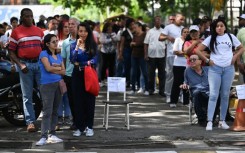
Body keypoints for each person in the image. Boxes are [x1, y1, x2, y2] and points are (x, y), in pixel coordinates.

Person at [195, 18, 244, 131]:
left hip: (228, 69)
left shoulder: (231, 37)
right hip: (214, 69)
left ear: (225, 27)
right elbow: (198, 50)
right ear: (214, 28)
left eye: (221, 26)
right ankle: (210, 121)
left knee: (225, 95)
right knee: (213, 95)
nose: (219, 28)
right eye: (217, 26)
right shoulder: (210, 38)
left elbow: (241, 48)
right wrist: (207, 61)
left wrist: (235, 57)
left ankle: (222, 121)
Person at [8, 8, 44, 132]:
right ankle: (30, 122)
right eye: (27, 16)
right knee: (27, 95)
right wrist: (19, 64)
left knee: (44, 93)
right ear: (22, 17)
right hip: (25, 66)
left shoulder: (39, 31)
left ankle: (48, 121)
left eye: (31, 16)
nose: (29, 18)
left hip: (39, 64)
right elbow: (11, 51)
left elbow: (44, 49)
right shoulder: (16, 32)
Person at [36, 34, 65, 146]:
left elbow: (64, 71)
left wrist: (54, 68)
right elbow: (48, 68)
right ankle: (43, 136)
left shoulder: (58, 54)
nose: (56, 43)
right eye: (53, 41)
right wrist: (57, 68)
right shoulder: (43, 54)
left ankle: (52, 134)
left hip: (58, 84)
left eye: (56, 41)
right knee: (47, 111)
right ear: (47, 44)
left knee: (55, 111)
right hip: (47, 85)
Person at [70, 22, 97, 137]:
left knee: (89, 101)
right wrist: (77, 47)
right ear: (77, 32)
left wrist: (83, 63)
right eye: (80, 31)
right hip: (77, 75)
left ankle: (89, 127)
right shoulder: (73, 44)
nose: (83, 33)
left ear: (88, 32)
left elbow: (95, 60)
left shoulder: (92, 44)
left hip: (89, 74)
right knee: (78, 102)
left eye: (85, 31)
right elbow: (72, 59)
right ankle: (80, 127)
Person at [159, 13, 185, 102]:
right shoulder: (169, 27)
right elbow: (160, 37)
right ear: (176, 18)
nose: (182, 21)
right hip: (171, 55)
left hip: (181, 56)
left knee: (182, 76)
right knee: (170, 75)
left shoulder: (183, 29)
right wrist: (167, 37)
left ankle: (181, 94)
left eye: (183, 20)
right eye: (181, 19)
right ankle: (168, 94)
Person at [61, 17, 80, 130]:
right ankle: (75, 121)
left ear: (78, 26)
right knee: (71, 99)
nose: (70, 26)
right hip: (69, 74)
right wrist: (62, 73)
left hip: (80, 73)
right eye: (69, 24)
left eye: (73, 24)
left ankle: (81, 120)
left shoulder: (82, 40)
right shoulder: (65, 42)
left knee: (80, 98)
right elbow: (63, 59)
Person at [181, 54, 209, 127]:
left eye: (194, 59)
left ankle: (212, 118)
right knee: (197, 93)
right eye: (190, 60)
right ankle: (202, 119)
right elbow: (186, 82)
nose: (192, 61)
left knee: (217, 94)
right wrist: (184, 85)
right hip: (196, 92)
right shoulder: (187, 71)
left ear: (200, 61)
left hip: (208, 91)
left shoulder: (208, 69)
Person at [144, 16, 166, 96]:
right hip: (151, 55)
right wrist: (145, 54)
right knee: (151, 74)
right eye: (156, 21)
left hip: (161, 55)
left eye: (159, 21)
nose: (158, 22)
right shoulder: (150, 31)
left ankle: (161, 90)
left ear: (160, 22)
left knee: (162, 74)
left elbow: (166, 44)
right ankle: (151, 89)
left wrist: (165, 55)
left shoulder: (164, 31)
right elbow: (146, 43)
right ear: (154, 22)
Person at [169, 27, 189, 108]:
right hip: (178, 65)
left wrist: (182, 52)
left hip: (187, 65)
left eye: (188, 32)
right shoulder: (178, 40)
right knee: (177, 83)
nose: (186, 33)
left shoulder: (190, 41)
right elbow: (175, 52)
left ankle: (186, 101)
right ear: (182, 33)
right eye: (184, 32)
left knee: (186, 83)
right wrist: (186, 53)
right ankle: (173, 101)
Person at [129, 21, 148, 95]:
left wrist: (135, 44)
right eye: (133, 28)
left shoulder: (145, 34)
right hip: (134, 55)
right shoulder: (134, 35)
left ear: (140, 27)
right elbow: (132, 43)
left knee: (144, 72)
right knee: (133, 72)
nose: (134, 29)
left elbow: (144, 43)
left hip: (142, 56)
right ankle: (133, 89)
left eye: (135, 28)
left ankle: (146, 89)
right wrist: (132, 44)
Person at [99, 22, 117, 86]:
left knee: (112, 66)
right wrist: (110, 40)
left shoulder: (114, 33)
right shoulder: (103, 34)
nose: (110, 29)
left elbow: (116, 39)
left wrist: (112, 39)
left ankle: (111, 80)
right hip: (104, 52)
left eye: (110, 28)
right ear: (106, 28)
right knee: (103, 66)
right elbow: (102, 41)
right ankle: (102, 80)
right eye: (108, 27)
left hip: (112, 52)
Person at [236, 14, 245, 82]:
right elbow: (237, 48)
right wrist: (238, 62)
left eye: (241, 20)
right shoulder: (240, 31)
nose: (239, 21)